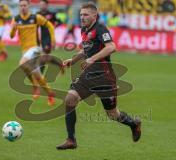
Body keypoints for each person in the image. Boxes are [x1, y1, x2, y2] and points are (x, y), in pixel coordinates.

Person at [56, 2, 141, 150]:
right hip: (88, 75)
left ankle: (134, 124)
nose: (82, 17)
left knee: (112, 114)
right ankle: (71, 140)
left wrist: (92, 59)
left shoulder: (100, 28)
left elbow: (111, 47)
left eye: (86, 15)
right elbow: (85, 49)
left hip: (104, 76)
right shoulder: (84, 29)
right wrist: (73, 60)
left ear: (94, 16)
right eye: (81, 14)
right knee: (70, 99)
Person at [9, 0, 57, 106]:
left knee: (22, 63)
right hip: (25, 51)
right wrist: (13, 28)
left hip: (35, 49)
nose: (23, 7)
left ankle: (34, 86)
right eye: (21, 5)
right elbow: (11, 36)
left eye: (25, 5)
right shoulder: (16, 19)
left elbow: (50, 25)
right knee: (38, 75)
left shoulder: (35, 17)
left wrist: (53, 40)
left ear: (28, 6)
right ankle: (50, 93)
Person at [37, 0, 62, 73]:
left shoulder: (51, 14)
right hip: (41, 37)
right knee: (45, 56)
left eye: (43, 4)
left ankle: (40, 74)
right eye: (40, 4)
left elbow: (59, 21)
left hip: (49, 37)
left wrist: (56, 24)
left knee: (44, 56)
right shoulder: (37, 14)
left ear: (47, 5)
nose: (42, 6)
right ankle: (59, 64)